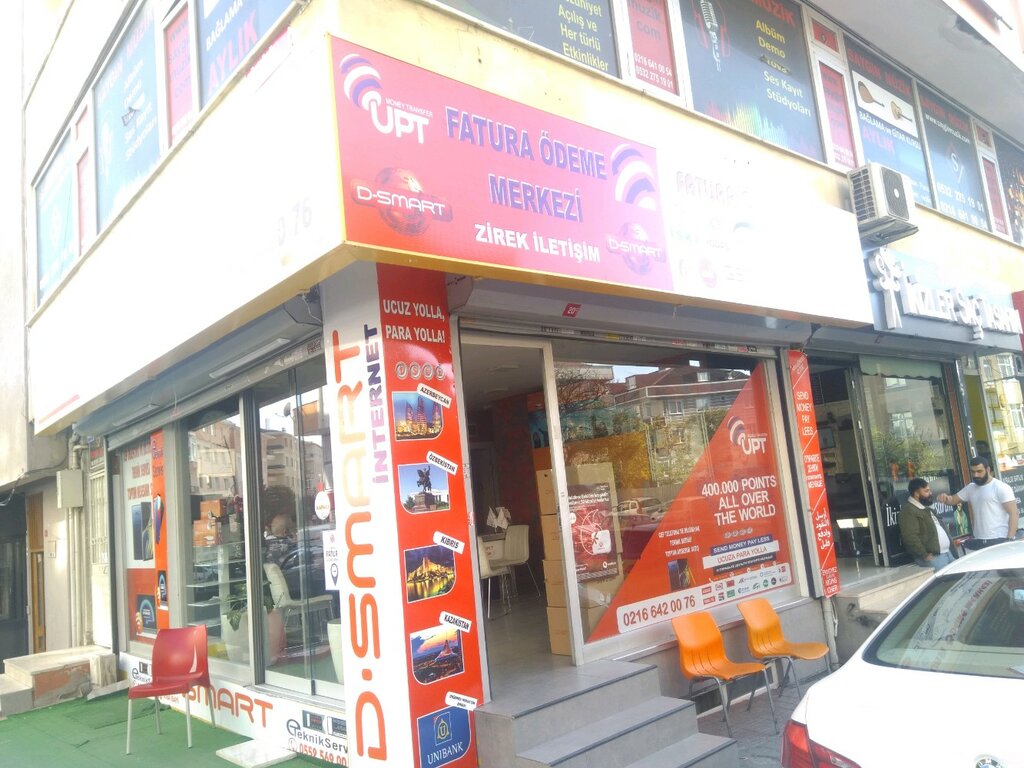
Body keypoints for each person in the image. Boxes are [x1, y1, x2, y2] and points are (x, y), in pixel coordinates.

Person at [937, 455, 1019, 550]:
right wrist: (944, 497)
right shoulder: (971, 488)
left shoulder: (1000, 487)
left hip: (999, 538)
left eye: (979, 471)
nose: (976, 475)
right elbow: (952, 500)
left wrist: (1010, 539)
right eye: (973, 472)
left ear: (988, 470)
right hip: (979, 539)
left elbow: (1014, 513)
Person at [899, 478, 953, 569]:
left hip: (947, 553)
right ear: (916, 493)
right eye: (926, 491)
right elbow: (910, 537)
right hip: (934, 557)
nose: (930, 493)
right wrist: (924, 555)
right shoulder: (908, 511)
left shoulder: (925, 507)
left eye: (929, 490)